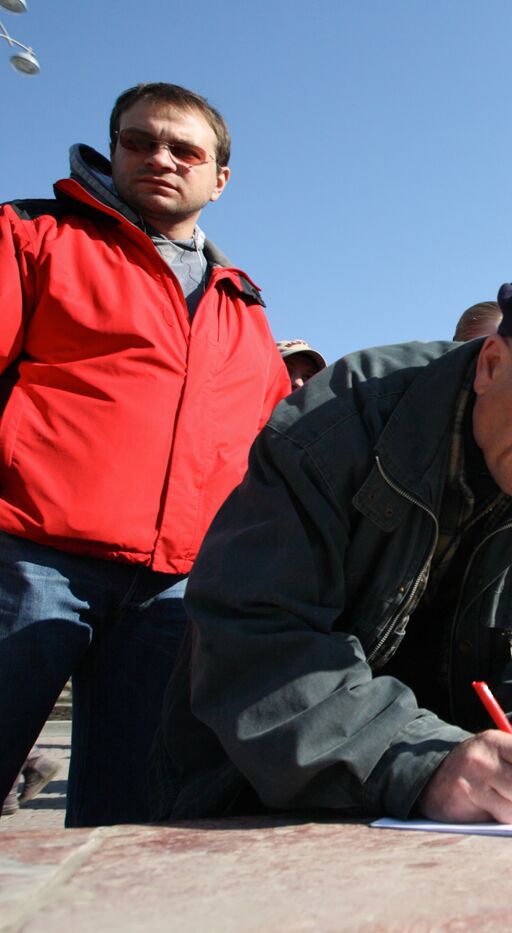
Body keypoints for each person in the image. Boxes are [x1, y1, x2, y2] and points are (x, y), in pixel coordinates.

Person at [151, 271, 512, 824]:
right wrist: (420, 760)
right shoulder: (336, 424)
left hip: (458, 810)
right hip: (263, 788)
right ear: (492, 364)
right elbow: (259, 635)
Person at [0, 83, 288, 826]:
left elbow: (274, 455)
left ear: (218, 179)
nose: (160, 157)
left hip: (173, 592)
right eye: (139, 141)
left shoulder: (243, 306)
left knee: (131, 819)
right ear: (114, 148)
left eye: (184, 149)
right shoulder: (33, 236)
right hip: (29, 559)